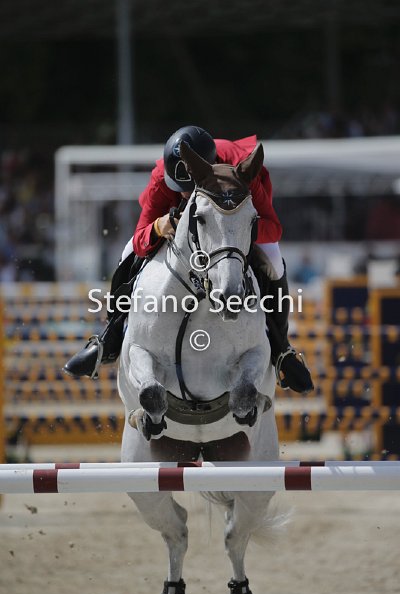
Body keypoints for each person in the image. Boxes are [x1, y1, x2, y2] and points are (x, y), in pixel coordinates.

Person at [64, 125, 313, 394]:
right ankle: (108, 339)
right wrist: (159, 227)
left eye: (190, 188)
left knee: (274, 261)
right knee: (127, 253)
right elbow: (139, 239)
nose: (184, 194)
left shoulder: (241, 172)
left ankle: (281, 350)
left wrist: (237, 229)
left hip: (235, 230)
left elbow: (273, 228)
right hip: (181, 235)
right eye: (179, 188)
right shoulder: (163, 177)